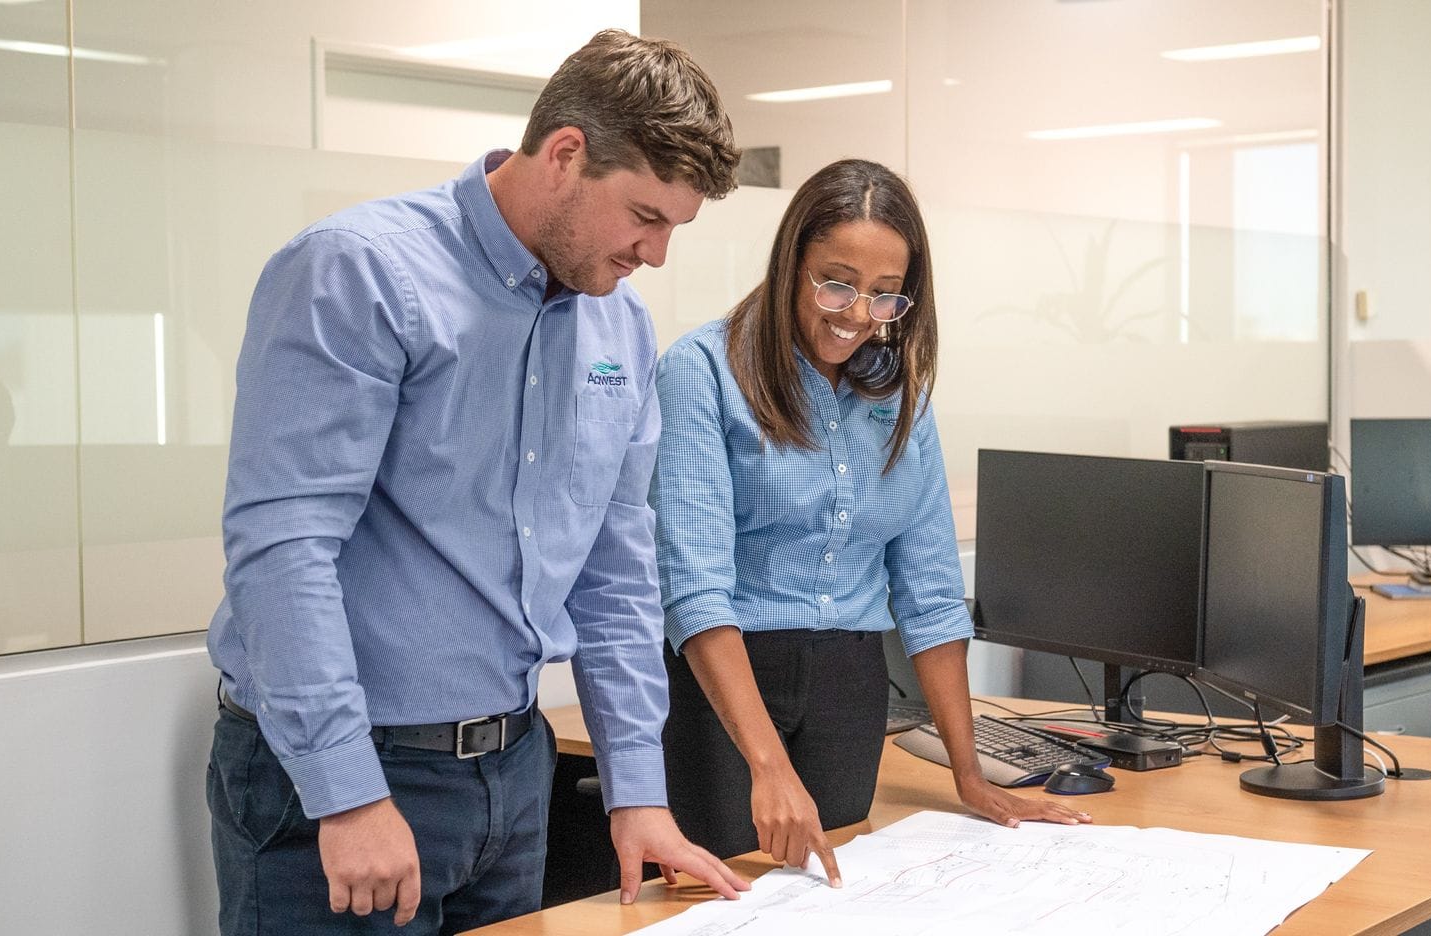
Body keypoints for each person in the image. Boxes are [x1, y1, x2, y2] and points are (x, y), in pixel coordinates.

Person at [205, 29, 750, 934]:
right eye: (644, 217)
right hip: (349, 780)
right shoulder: (361, 271)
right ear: (565, 154)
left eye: (672, 229)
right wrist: (346, 792)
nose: (654, 254)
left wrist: (637, 788)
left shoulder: (620, 329)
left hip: (514, 775)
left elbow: (615, 572)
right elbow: (282, 547)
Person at [652, 159, 1091, 884]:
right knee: (727, 904)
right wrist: (768, 767)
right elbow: (695, 589)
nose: (858, 314)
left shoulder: (901, 394)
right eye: (837, 282)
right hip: (726, 684)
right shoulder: (703, 370)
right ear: (791, 263)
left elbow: (930, 593)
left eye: (886, 294)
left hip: (850, 686)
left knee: (832, 897)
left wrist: (971, 775)